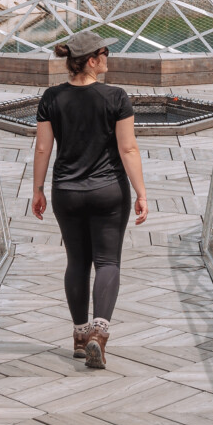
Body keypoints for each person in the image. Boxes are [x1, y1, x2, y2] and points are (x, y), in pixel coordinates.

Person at [29, 32, 149, 368]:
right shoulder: (116, 97)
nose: (108, 56)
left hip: (66, 192)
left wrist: (37, 190)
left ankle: (80, 335)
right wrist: (141, 193)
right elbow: (128, 149)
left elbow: (42, 148)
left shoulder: (51, 97)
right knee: (108, 262)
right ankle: (99, 333)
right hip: (109, 190)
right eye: (104, 52)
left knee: (77, 263)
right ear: (92, 60)